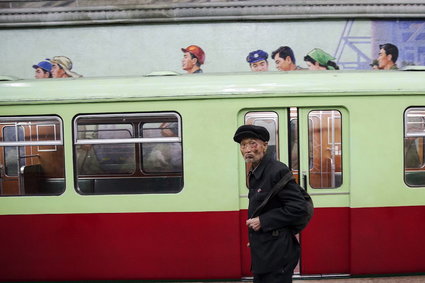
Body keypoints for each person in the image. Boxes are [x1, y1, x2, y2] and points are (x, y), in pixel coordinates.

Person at [233, 125, 311, 283]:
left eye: (252, 143)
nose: (247, 149)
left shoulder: (276, 171)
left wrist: (263, 221)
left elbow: (298, 208)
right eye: (243, 145)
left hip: (277, 253)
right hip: (265, 248)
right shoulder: (256, 171)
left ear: (265, 145)